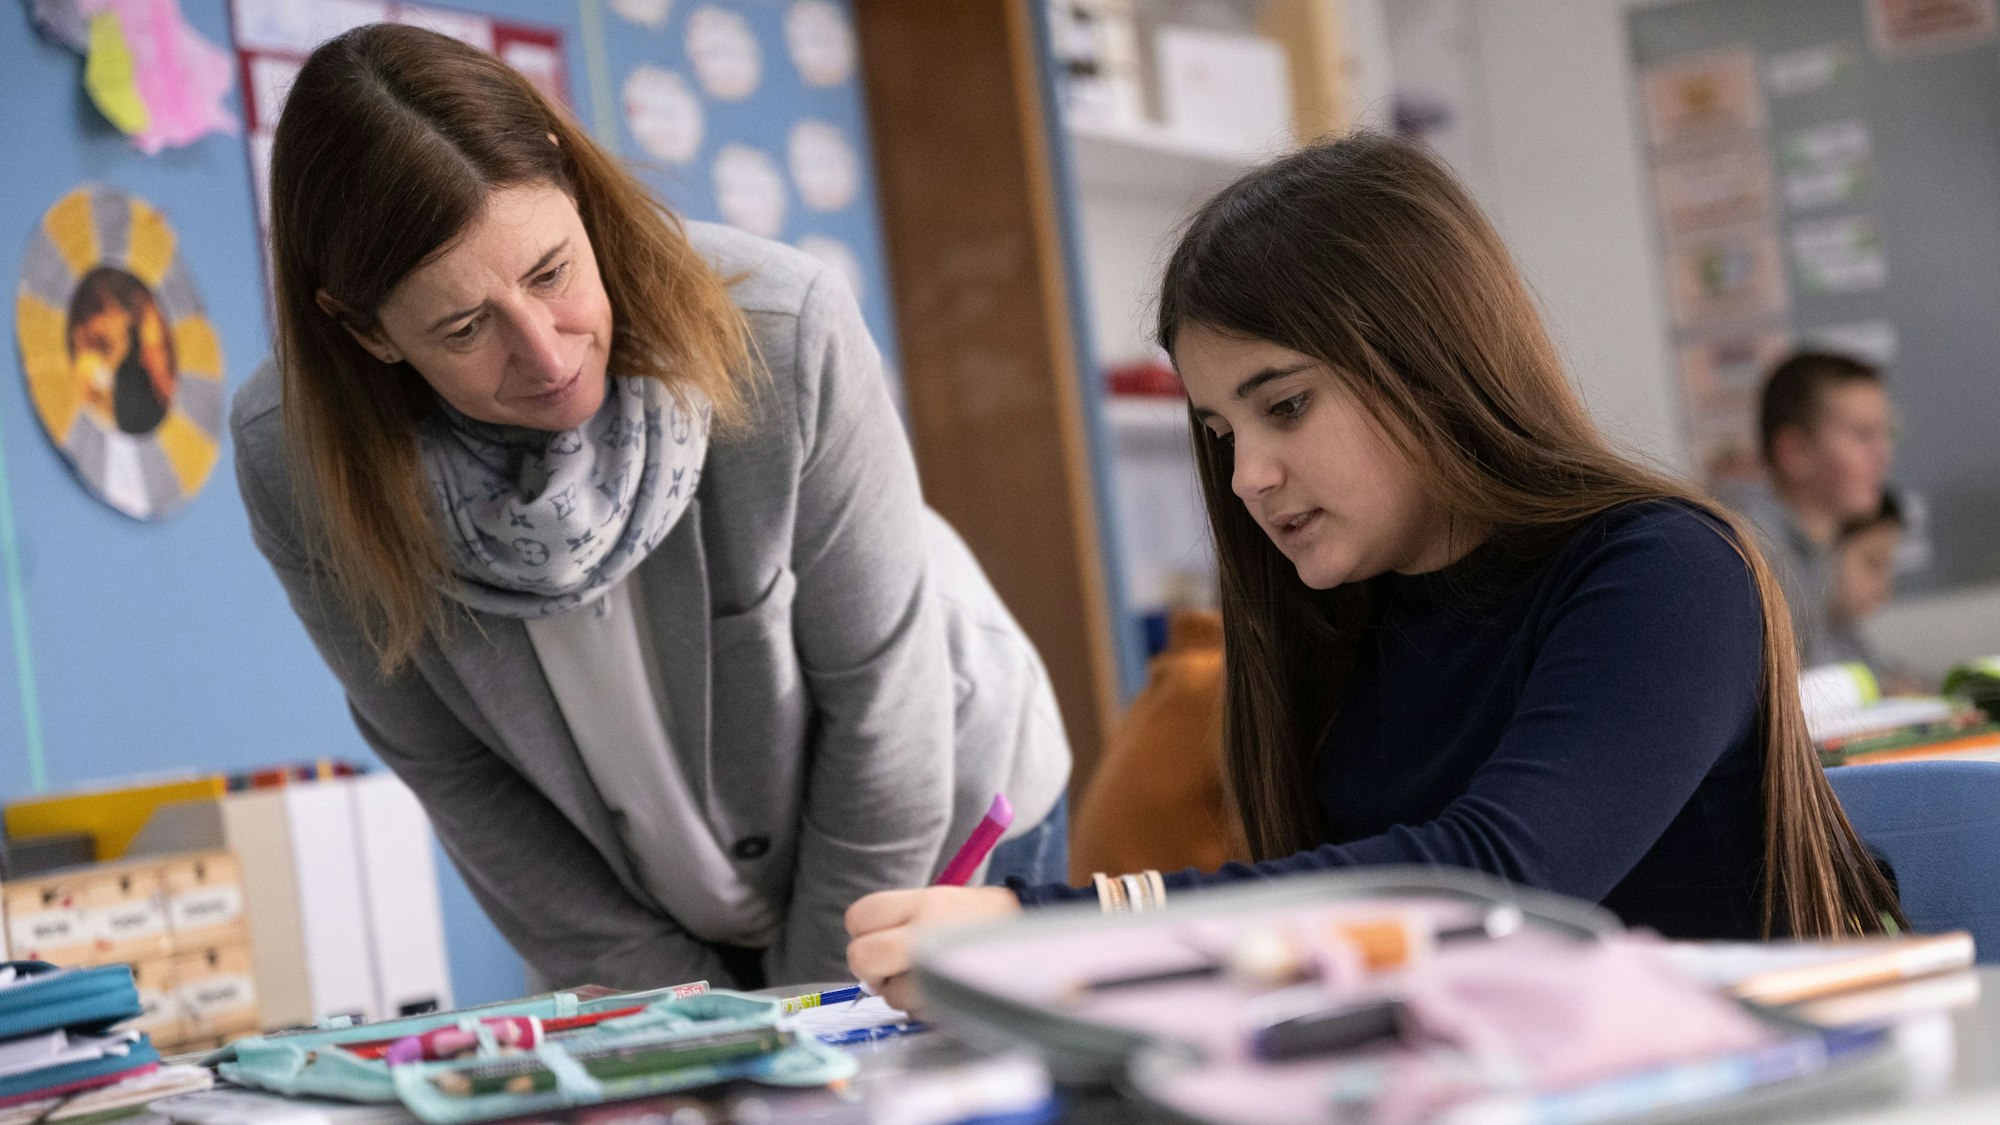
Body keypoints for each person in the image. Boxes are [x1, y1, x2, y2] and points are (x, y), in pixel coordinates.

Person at [846, 134, 1903, 1012]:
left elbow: (1500, 882)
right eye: (1218, 430)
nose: (1248, 476)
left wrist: (1059, 933)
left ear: (1426, 359)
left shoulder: (1668, 570)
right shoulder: (1334, 620)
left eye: (1286, 405)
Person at [232, 24, 1070, 992]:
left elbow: (885, 703)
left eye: (550, 273)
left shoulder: (785, 334)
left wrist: (804, 1018)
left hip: (924, 821)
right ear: (366, 333)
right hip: (661, 904)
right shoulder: (296, 469)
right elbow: (464, 779)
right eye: (465, 328)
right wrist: (696, 1026)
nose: (547, 355)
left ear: (569, 182)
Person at [1729, 351, 1896, 668]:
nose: (1884, 453)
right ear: (1795, 452)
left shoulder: (1816, 550)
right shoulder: (1755, 549)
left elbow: (1847, 656)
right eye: (1863, 435)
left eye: (1886, 433)